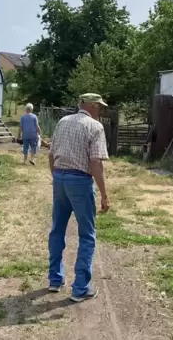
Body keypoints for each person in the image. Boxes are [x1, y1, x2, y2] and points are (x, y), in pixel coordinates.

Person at [47, 93, 110, 302]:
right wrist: (104, 194)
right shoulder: (94, 127)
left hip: (60, 177)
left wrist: (56, 177)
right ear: (91, 106)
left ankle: (55, 279)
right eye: (99, 107)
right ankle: (80, 287)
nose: (100, 110)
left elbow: (51, 153)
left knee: (57, 229)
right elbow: (96, 163)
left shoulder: (63, 122)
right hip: (80, 181)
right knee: (87, 234)